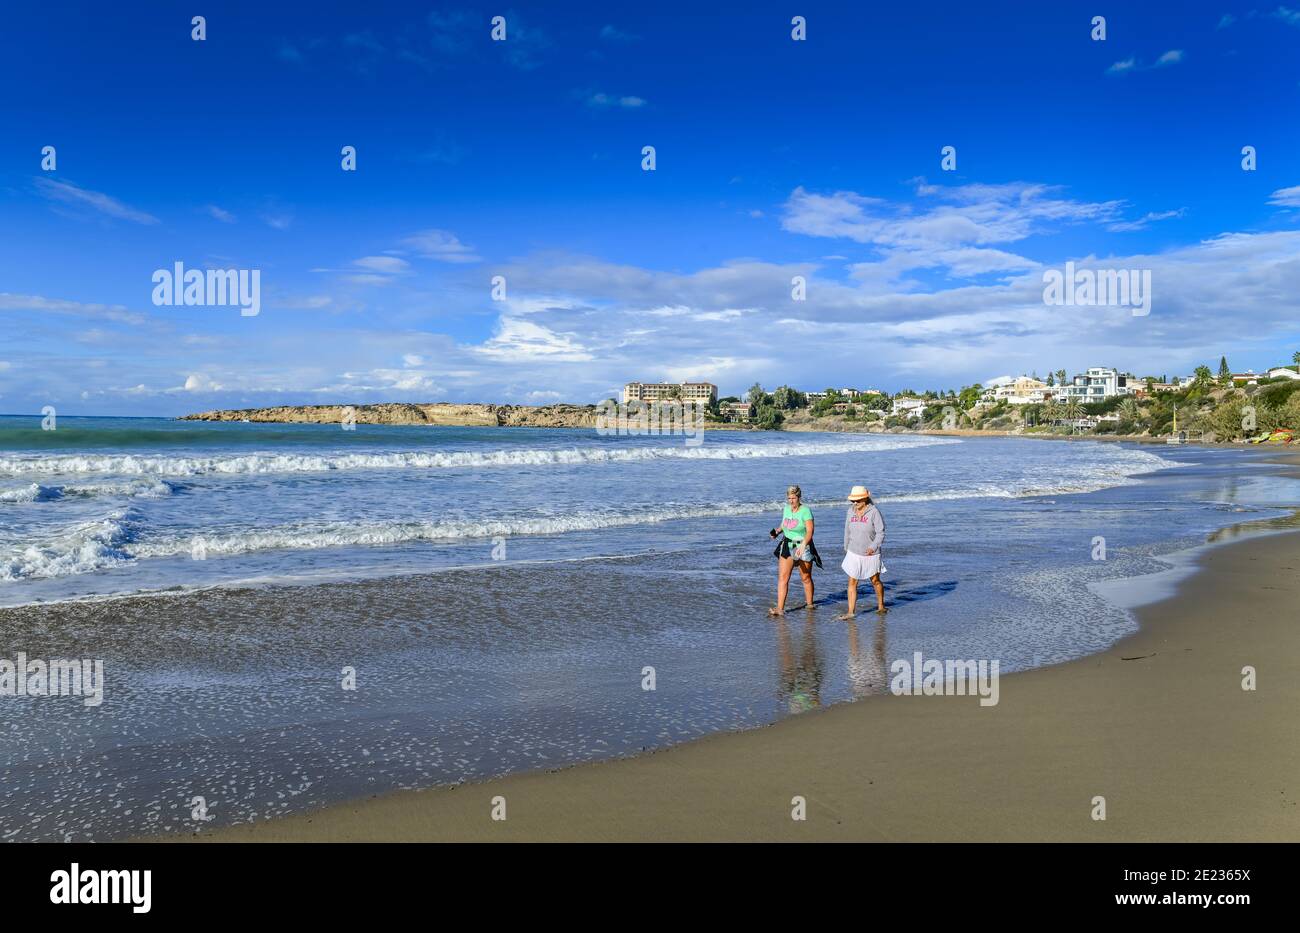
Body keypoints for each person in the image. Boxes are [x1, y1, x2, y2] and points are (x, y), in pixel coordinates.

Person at [768, 485, 818, 616]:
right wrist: (777, 532)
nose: (791, 501)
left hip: (802, 544)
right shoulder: (786, 509)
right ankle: (780, 609)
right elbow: (784, 525)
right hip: (788, 543)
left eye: (793, 498)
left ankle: (810, 604)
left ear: (799, 497)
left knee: (805, 577)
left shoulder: (805, 511)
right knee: (783, 578)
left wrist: (803, 545)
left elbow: (810, 531)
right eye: (789, 498)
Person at [840, 485, 886, 617]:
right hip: (854, 551)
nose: (855, 503)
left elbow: (880, 533)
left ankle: (881, 605)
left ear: (865, 498)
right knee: (852, 581)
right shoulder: (850, 511)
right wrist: (846, 547)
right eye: (853, 501)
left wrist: (873, 546)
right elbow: (847, 530)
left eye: (858, 500)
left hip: (870, 553)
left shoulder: (874, 512)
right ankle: (850, 612)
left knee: (875, 580)